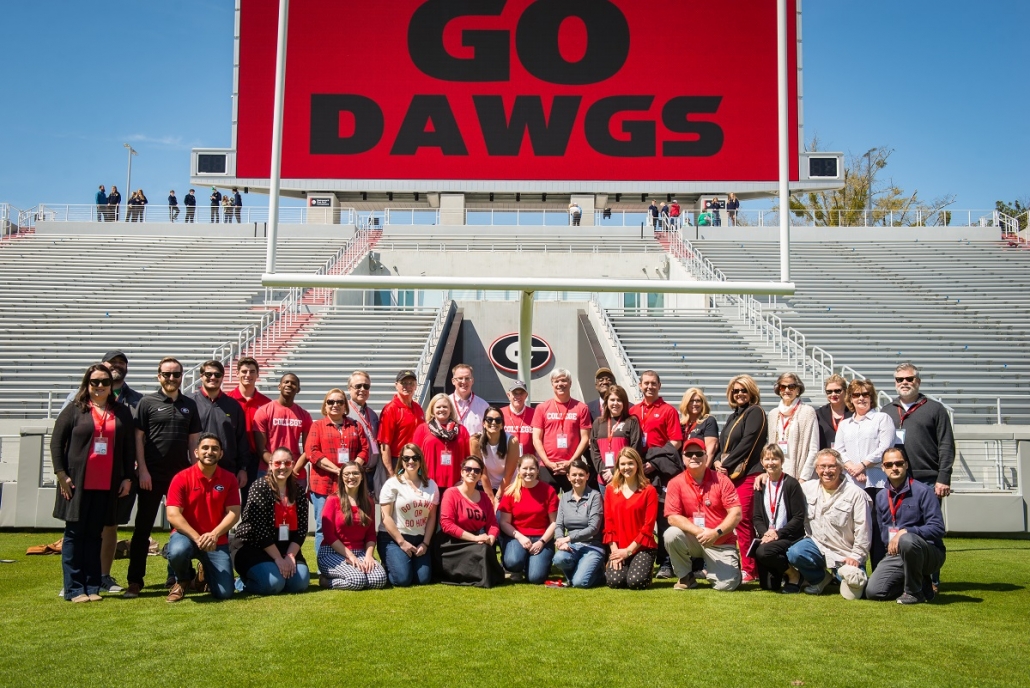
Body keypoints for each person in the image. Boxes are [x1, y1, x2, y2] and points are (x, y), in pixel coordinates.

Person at [60, 349, 144, 594]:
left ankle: (98, 579)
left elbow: (132, 443)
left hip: (113, 479)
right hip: (80, 478)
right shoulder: (76, 404)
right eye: (95, 381)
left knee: (104, 530)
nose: (100, 385)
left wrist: (130, 474)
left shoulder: (130, 404)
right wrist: (61, 472)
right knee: (77, 531)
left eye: (122, 363)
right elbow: (61, 440)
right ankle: (73, 584)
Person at [125, 357, 202, 598]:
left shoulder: (189, 404)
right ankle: (135, 581)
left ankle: (179, 577)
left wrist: (194, 472)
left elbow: (193, 443)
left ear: (182, 377)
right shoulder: (147, 402)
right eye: (166, 374)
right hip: (151, 475)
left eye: (176, 374)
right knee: (142, 528)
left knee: (180, 528)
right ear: (159, 376)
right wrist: (143, 470)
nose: (171, 378)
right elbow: (138, 438)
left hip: (180, 478)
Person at [786, 449, 871, 600]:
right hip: (818, 547)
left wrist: (856, 556)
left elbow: (863, 529)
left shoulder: (856, 494)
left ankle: (842, 576)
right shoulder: (807, 489)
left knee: (854, 594)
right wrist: (765, 475)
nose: (826, 471)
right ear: (816, 469)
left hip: (845, 554)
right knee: (795, 552)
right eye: (822, 466)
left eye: (831, 466)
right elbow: (783, 486)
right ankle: (820, 579)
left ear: (840, 468)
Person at [164, 433, 241, 602]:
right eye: (205, 448)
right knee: (177, 551)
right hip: (186, 537)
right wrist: (198, 538)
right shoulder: (181, 478)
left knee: (224, 593)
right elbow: (172, 514)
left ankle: (202, 575)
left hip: (216, 541)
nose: (209, 452)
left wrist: (214, 534)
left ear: (221, 454)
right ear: (196, 452)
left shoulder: (229, 479)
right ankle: (183, 580)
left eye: (215, 449)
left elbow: (234, 512)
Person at [865, 449, 946, 604]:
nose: (894, 467)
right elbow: (883, 533)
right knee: (873, 592)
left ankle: (914, 593)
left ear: (906, 465)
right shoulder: (882, 496)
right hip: (897, 554)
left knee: (907, 540)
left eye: (899, 463)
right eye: (889, 464)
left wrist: (905, 532)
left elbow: (938, 529)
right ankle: (920, 583)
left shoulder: (924, 492)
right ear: (883, 468)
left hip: (928, 552)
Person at [663, 438, 743, 591]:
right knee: (671, 534)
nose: (694, 457)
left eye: (699, 453)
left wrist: (715, 532)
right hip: (694, 537)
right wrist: (700, 532)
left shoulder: (722, 480)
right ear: (683, 457)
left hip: (720, 540)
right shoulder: (675, 482)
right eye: (689, 454)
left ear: (707, 457)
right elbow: (672, 517)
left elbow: (736, 513)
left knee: (726, 585)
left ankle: (726, 571)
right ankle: (686, 577)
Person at [232, 447, 310, 595]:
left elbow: (302, 529)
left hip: (286, 548)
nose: (282, 467)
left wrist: (289, 556)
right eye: (278, 463)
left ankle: (276, 572)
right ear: (270, 465)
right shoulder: (259, 487)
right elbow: (259, 529)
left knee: (299, 584)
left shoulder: (298, 491)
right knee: (274, 585)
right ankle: (241, 583)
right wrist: (278, 560)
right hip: (255, 547)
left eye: (287, 463)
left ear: (293, 465)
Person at [834, 377, 895, 569]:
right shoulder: (845, 424)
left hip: (876, 482)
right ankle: (855, 571)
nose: (861, 398)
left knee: (876, 528)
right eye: (856, 395)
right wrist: (853, 468)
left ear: (872, 397)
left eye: (865, 394)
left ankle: (879, 571)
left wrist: (863, 465)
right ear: (850, 399)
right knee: (854, 528)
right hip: (852, 483)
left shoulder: (882, 418)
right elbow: (839, 450)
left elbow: (886, 447)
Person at [714, 374, 766, 583]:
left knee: (743, 519)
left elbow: (748, 443)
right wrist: (717, 461)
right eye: (735, 391)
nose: (739, 394)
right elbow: (722, 444)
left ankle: (750, 569)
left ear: (751, 391)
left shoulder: (755, 412)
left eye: (743, 390)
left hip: (748, 473)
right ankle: (739, 564)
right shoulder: (733, 416)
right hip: (731, 474)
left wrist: (724, 464)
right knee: (731, 520)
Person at [305, 389, 369, 553]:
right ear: (325, 405)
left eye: (340, 402)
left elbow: (364, 450)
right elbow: (312, 452)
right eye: (331, 402)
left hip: (350, 487)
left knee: (347, 525)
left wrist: (351, 471)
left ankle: (345, 560)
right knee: (323, 526)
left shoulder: (356, 425)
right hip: (324, 485)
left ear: (345, 406)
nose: (335, 405)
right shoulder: (317, 425)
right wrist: (339, 471)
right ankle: (323, 568)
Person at [881, 363, 956, 499]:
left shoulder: (935, 409)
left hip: (928, 480)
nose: (904, 382)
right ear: (895, 382)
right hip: (895, 478)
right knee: (898, 520)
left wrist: (944, 477)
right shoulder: (886, 411)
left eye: (910, 379)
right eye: (900, 379)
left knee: (929, 520)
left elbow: (946, 445)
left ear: (918, 381)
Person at [435, 456, 504, 587]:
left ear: (480, 476)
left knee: (485, 548)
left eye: (477, 471)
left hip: (477, 540)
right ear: (462, 472)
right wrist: (475, 538)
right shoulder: (451, 493)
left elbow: (493, 523)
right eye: (468, 469)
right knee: (482, 550)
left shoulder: (484, 497)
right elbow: (447, 525)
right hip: (452, 543)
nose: (472, 473)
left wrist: (491, 538)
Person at [188, 359, 253, 496]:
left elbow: (241, 439)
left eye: (217, 375)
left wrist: (242, 469)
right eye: (208, 374)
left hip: (226, 471)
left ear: (222, 377)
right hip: (195, 470)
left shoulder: (233, 406)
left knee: (225, 513)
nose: (213, 378)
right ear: (201, 376)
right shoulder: (189, 403)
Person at [377, 444, 439, 587]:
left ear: (421, 460)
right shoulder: (392, 483)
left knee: (423, 579)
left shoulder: (431, 485)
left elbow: (431, 517)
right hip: (394, 538)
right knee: (402, 579)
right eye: (406, 458)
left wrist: (425, 543)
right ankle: (386, 563)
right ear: (401, 460)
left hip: (419, 539)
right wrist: (402, 543)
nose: (411, 461)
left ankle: (402, 562)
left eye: (415, 458)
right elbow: (386, 518)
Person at [318, 461, 387, 590]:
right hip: (332, 552)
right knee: (357, 580)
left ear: (362, 476)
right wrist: (350, 556)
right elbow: (328, 535)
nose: (351, 477)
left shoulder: (369, 502)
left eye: (355, 473)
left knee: (378, 580)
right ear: (341, 478)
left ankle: (358, 572)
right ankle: (325, 582)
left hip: (360, 552)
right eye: (347, 474)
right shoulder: (332, 500)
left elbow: (371, 534)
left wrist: (368, 556)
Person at [752, 444, 807, 592]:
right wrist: (766, 533)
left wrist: (777, 533)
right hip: (768, 536)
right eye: (767, 459)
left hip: (788, 535)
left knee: (763, 552)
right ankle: (783, 573)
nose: (771, 462)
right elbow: (757, 517)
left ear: (782, 461)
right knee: (768, 586)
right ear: (762, 462)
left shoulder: (791, 484)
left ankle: (794, 574)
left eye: (775, 459)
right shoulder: (760, 484)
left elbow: (798, 517)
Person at [497, 454, 559, 584]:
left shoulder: (549, 491)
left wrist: (541, 542)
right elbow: (504, 522)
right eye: (525, 468)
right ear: (519, 471)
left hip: (541, 538)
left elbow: (554, 522)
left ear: (537, 470)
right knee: (513, 562)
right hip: (518, 537)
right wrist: (520, 537)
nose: (528, 472)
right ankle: (517, 568)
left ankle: (533, 564)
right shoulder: (510, 492)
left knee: (536, 578)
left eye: (532, 468)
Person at [603, 447, 658, 590]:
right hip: (619, 546)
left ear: (637, 465)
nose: (626, 467)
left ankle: (646, 571)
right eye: (622, 464)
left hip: (641, 547)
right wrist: (615, 552)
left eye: (630, 463)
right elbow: (608, 523)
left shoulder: (649, 491)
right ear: (617, 466)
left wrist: (628, 551)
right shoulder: (610, 489)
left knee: (635, 582)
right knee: (615, 582)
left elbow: (648, 526)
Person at [532, 368, 592, 492]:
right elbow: (536, 439)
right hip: (547, 467)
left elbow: (585, 438)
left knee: (575, 504)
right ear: (552, 384)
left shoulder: (581, 408)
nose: (560, 384)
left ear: (570, 383)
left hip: (573, 466)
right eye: (556, 381)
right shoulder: (542, 408)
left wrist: (570, 461)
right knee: (547, 507)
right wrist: (548, 462)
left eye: (564, 381)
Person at [254, 373, 312, 490]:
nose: (289, 384)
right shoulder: (264, 411)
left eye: (293, 383)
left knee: (295, 508)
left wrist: (293, 469)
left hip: (295, 472)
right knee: (266, 508)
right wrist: (276, 466)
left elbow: (308, 449)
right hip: (268, 470)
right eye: (286, 382)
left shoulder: (304, 415)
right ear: (279, 386)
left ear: (298, 389)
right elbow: (261, 448)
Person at [552, 458, 605, 588]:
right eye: (574, 475)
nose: (577, 478)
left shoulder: (595, 496)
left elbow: (593, 528)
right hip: (572, 547)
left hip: (592, 546)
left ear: (587, 476)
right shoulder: (564, 497)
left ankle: (599, 573)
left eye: (581, 474)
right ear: (568, 477)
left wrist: (568, 538)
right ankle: (581, 570)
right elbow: (559, 524)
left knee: (580, 583)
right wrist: (560, 540)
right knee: (559, 559)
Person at [226, 356, 272, 492]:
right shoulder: (226, 400)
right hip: (230, 457)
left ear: (257, 374)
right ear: (237, 373)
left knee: (251, 504)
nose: (248, 375)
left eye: (252, 371)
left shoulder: (266, 403)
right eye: (244, 371)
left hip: (255, 459)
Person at [589, 385, 642, 498]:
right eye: (612, 400)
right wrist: (604, 471)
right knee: (609, 512)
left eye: (619, 400)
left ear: (624, 403)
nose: (615, 403)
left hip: (626, 476)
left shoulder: (631, 421)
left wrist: (614, 471)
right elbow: (594, 450)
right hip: (604, 479)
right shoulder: (598, 423)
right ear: (606, 402)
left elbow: (634, 449)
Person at [767, 373, 819, 481]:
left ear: (798, 390)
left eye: (791, 387)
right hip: (777, 473)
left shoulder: (808, 412)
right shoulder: (773, 414)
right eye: (783, 387)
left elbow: (814, 449)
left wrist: (803, 478)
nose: (787, 390)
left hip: (800, 474)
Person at [412, 393, 470, 490]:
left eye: (445, 407)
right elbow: (414, 456)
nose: (442, 409)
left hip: (456, 484)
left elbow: (468, 457)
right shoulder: (422, 429)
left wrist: (464, 480)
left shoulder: (461, 430)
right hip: (428, 484)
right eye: (438, 407)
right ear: (432, 410)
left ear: (450, 409)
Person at [377, 369, 425, 479]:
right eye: (403, 383)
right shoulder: (390, 409)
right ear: (396, 385)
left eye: (410, 383)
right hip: (398, 460)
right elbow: (385, 444)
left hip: (416, 460)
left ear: (416, 386)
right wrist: (390, 472)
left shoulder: (418, 408)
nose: (407, 386)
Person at [470, 406, 519, 506]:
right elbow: (482, 472)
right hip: (485, 485)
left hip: (508, 485)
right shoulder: (475, 440)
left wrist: (498, 498)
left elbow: (508, 474)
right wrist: (491, 498)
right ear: (483, 423)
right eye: (489, 420)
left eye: (498, 420)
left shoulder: (512, 441)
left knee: (502, 517)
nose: (493, 423)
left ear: (502, 425)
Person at [346, 370, 384, 497]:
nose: (362, 389)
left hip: (372, 473)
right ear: (349, 388)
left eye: (366, 386)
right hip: (354, 473)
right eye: (358, 386)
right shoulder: (344, 411)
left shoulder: (372, 414)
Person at [677, 387, 719, 466]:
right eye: (691, 401)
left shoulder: (709, 420)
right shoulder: (681, 424)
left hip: (700, 469)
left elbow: (711, 451)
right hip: (683, 470)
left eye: (698, 401)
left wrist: (704, 473)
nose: (695, 404)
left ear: (703, 403)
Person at [450, 363, 489, 436]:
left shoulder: (483, 406)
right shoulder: (445, 403)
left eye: (467, 378)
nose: (464, 382)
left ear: (472, 381)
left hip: (474, 447)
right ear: (453, 381)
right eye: (460, 378)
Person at [815, 374, 852, 450]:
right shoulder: (818, 414)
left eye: (837, 391)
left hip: (849, 458)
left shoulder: (854, 413)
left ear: (845, 391)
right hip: (826, 459)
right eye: (829, 392)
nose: (833, 394)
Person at [501, 380, 535, 457]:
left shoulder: (534, 414)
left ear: (526, 395)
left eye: (521, 393)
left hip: (528, 463)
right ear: (508, 395)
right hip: (506, 461)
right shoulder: (500, 414)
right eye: (515, 393)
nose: (518, 396)